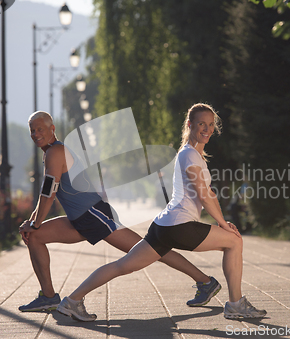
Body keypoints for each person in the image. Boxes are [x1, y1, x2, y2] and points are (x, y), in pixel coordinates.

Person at [57, 103, 266, 321]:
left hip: (163, 226)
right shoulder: (190, 155)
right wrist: (223, 224)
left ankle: (72, 300)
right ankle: (235, 304)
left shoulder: (192, 154)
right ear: (190, 124)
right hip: (179, 225)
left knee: (124, 265)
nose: (207, 129)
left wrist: (221, 220)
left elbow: (208, 194)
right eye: (201, 124)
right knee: (234, 241)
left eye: (211, 124)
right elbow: (204, 195)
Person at [18, 111, 221, 312]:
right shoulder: (51, 152)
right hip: (78, 219)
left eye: (40, 129)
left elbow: (48, 194)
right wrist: (32, 223)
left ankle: (204, 281)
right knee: (35, 237)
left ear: (52, 129)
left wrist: (34, 223)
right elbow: (46, 193)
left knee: (152, 250)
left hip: (94, 215)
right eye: (32, 131)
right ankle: (48, 296)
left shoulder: (55, 151)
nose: (36, 134)